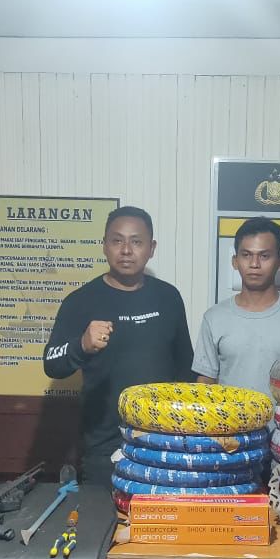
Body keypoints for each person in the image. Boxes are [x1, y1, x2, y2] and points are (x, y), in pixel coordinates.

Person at [43, 205, 193, 486]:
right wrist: (81, 345)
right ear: (104, 245)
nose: (126, 250)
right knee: (102, 515)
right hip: (104, 448)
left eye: (136, 242)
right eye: (117, 241)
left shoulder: (168, 297)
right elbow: (51, 363)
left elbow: (186, 368)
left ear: (151, 248)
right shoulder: (81, 301)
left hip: (162, 444)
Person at [193, 217, 280, 396]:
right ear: (235, 261)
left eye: (264, 256)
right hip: (230, 415)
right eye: (246, 255)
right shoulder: (214, 318)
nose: (254, 264)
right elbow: (206, 381)